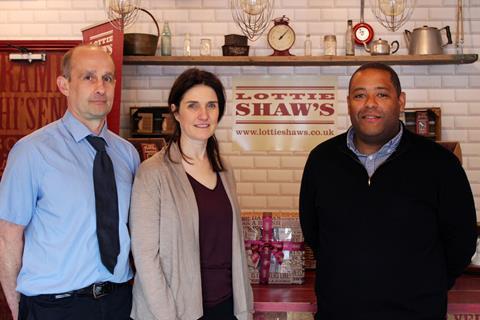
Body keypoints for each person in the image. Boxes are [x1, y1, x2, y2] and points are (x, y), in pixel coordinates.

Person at [299, 62, 477, 320]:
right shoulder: (322, 160)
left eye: (381, 94)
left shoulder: (439, 163)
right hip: (338, 312)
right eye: (360, 95)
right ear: (349, 103)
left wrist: (425, 287)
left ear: (400, 101)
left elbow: (462, 241)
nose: (370, 103)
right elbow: (314, 233)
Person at [0, 44, 140, 320]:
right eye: (88, 77)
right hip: (54, 307)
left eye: (107, 78)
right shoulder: (32, 152)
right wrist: (19, 311)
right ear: (64, 85)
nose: (100, 87)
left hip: (119, 301)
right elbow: (8, 237)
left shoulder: (127, 155)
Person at [129, 68, 254, 320]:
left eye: (211, 105)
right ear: (175, 111)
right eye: (193, 106)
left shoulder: (224, 170)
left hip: (226, 304)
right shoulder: (153, 172)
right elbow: (145, 258)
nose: (204, 115)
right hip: (176, 310)